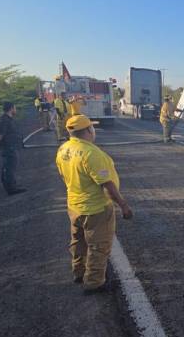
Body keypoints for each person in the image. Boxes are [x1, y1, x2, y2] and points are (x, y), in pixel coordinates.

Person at [55, 115, 133, 293]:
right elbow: (107, 186)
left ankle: (79, 272)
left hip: (74, 206)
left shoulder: (63, 149)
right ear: (89, 130)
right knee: (99, 246)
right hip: (96, 209)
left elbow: (63, 176)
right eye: (92, 127)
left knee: (78, 241)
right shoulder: (91, 153)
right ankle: (95, 282)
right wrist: (124, 206)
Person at [0, 101, 26, 195]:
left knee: (10, 167)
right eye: (15, 108)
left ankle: (12, 186)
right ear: (11, 108)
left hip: (12, 146)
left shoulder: (8, 119)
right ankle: (11, 189)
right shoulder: (4, 120)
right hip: (8, 148)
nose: (15, 110)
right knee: (9, 168)